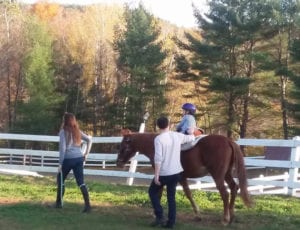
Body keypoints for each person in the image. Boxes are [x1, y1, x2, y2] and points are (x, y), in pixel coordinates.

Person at [148, 116, 195, 229]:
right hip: (176, 172)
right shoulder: (176, 135)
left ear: (158, 126)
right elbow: (191, 138)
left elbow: (158, 158)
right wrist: (191, 132)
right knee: (171, 198)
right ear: (168, 125)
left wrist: (156, 175)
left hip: (164, 173)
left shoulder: (159, 139)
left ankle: (160, 216)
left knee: (152, 192)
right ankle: (171, 223)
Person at [55, 112, 92, 213]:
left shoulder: (63, 132)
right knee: (81, 182)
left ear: (65, 121)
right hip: (79, 158)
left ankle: (58, 203)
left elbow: (62, 150)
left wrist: (60, 164)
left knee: (60, 179)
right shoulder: (77, 131)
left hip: (68, 159)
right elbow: (89, 140)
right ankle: (88, 206)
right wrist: (86, 154)